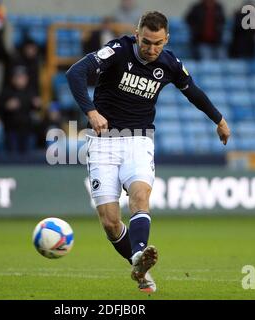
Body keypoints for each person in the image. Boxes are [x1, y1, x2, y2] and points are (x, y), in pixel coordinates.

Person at [66, 11, 231, 293]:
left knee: (140, 197)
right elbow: (75, 72)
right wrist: (91, 112)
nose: (152, 49)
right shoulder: (117, 50)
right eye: (146, 42)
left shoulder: (169, 63)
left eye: (158, 43)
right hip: (104, 141)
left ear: (166, 39)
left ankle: (141, 254)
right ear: (136, 34)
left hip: (139, 140)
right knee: (109, 221)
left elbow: (193, 91)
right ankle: (138, 265)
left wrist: (218, 119)